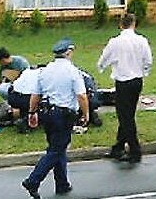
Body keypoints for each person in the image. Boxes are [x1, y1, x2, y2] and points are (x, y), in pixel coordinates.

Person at [22, 38, 90, 199]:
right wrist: (86, 114)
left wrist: (32, 113)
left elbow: (36, 95)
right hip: (63, 114)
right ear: (68, 52)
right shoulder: (73, 71)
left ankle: (62, 183)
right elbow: (81, 95)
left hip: (47, 113)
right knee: (56, 150)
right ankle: (33, 180)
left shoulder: (45, 70)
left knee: (57, 148)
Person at [98, 14, 153, 164]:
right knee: (128, 113)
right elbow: (148, 60)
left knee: (125, 116)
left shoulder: (115, 42)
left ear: (121, 25)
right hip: (137, 81)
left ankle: (135, 150)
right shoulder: (142, 41)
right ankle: (118, 146)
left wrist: (102, 67)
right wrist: (144, 71)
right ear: (134, 24)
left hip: (123, 81)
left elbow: (104, 58)